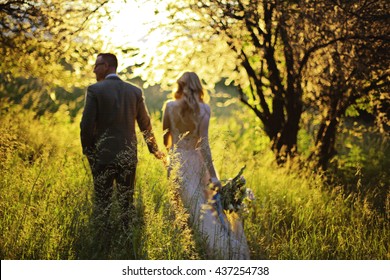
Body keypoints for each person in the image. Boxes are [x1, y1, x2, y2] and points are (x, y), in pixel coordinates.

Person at [162, 71, 250, 259]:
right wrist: (213, 175)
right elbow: (204, 145)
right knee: (203, 208)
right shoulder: (204, 110)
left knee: (181, 207)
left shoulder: (169, 107)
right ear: (198, 87)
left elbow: (165, 140)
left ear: (179, 86)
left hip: (177, 161)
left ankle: (188, 247)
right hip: (197, 162)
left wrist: (176, 148)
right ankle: (215, 246)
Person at [80, 53, 164, 233]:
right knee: (127, 202)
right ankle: (127, 238)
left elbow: (86, 124)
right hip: (128, 155)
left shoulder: (94, 90)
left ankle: (103, 240)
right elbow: (145, 123)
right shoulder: (134, 91)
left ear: (108, 66)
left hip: (102, 157)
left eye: (97, 65)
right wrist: (154, 149)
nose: (94, 70)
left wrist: (89, 151)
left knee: (103, 202)